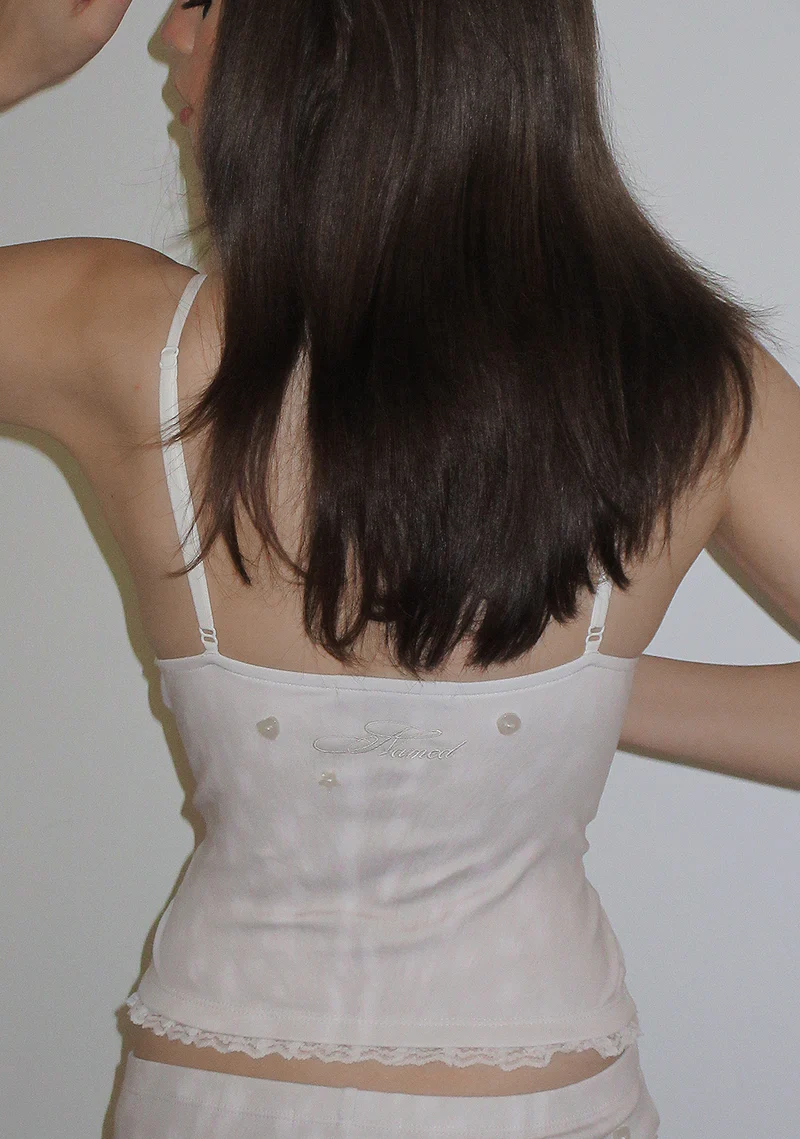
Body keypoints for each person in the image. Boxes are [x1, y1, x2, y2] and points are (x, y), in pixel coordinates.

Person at [1, 1, 798, 1137]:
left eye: (205, 1)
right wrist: (557, 695)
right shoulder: (688, 385)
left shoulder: (115, 339)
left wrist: (10, 61)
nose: (168, 36)